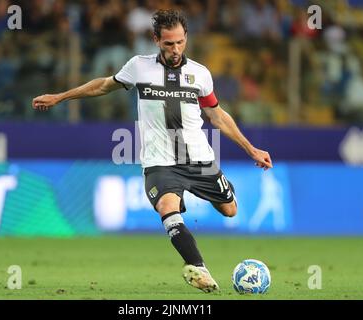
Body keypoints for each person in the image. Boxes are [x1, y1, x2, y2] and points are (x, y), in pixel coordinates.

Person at [32, 9, 272, 293]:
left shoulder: (200, 75)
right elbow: (103, 87)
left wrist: (251, 149)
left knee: (230, 210)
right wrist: (60, 97)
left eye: (180, 42)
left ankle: (207, 190)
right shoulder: (139, 67)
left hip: (200, 159)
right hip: (160, 162)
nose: (175, 49)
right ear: (156, 39)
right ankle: (199, 268)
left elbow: (217, 116)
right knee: (167, 207)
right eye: (169, 43)